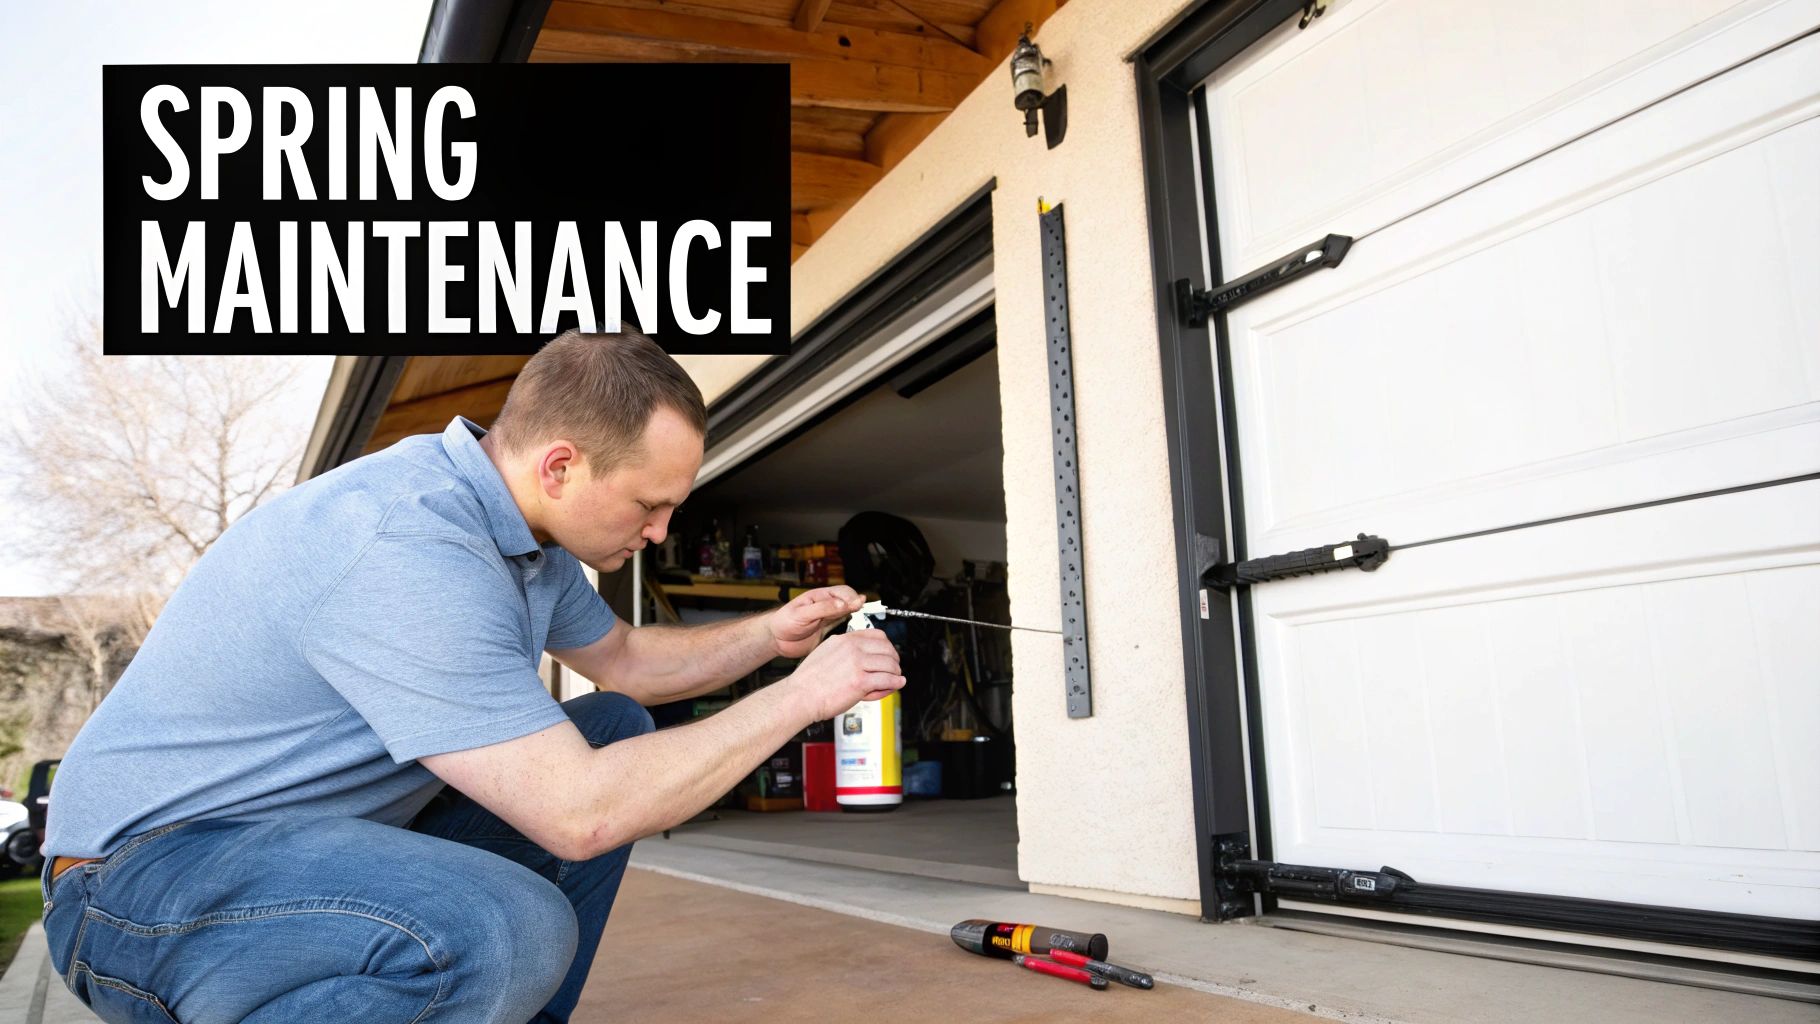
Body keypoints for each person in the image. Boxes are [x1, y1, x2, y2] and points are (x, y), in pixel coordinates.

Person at [39, 330, 904, 1023]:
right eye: (650, 504)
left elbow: (629, 663)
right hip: (137, 890)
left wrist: (773, 637)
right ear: (560, 466)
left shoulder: (524, 542)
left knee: (609, 726)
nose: (662, 532)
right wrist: (806, 696)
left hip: (288, 854)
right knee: (506, 928)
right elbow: (580, 812)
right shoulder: (404, 543)